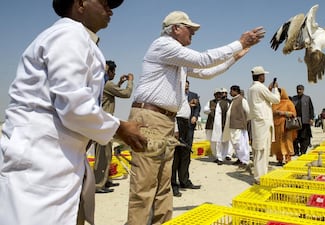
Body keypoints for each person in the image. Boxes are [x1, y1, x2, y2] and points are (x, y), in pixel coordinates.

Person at [0, 1, 147, 225]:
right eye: (105, 2)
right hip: (40, 160)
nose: (111, 10)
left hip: (57, 159)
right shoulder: (69, 35)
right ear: (80, 3)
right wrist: (120, 128)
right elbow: (74, 106)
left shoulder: (80, 40)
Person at [126, 10, 265, 225]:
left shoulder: (177, 57)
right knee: (144, 186)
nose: (193, 33)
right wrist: (239, 43)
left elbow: (206, 72)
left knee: (163, 185)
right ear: (175, 29)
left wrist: (234, 58)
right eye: (189, 29)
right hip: (150, 119)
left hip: (163, 120)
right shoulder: (164, 45)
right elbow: (204, 60)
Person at [94, 60, 134, 193]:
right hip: (103, 124)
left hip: (105, 123)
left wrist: (120, 83)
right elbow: (126, 94)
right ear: (109, 71)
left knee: (107, 154)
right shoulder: (107, 84)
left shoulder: (105, 84)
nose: (114, 74)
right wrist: (130, 81)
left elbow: (111, 93)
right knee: (102, 156)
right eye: (113, 71)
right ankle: (98, 184)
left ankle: (105, 180)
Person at [248, 66, 280, 185]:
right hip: (263, 121)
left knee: (258, 149)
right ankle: (260, 177)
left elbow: (263, 99)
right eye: (264, 75)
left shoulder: (252, 88)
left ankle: (259, 175)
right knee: (262, 150)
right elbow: (276, 100)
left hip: (257, 121)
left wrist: (268, 89)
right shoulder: (260, 87)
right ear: (260, 76)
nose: (265, 77)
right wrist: (275, 89)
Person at [171, 80, 201, 197]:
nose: (186, 88)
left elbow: (196, 108)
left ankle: (184, 181)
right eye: (184, 86)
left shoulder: (190, 96)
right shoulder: (174, 95)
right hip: (178, 124)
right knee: (175, 156)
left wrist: (194, 115)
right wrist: (176, 129)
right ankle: (173, 185)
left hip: (187, 125)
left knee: (185, 154)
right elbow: (173, 113)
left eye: (187, 86)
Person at [223, 85, 251, 168]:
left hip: (239, 126)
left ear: (235, 91)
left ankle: (244, 161)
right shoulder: (233, 100)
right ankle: (240, 159)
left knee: (241, 143)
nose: (230, 92)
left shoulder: (242, 100)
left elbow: (248, 112)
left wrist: (242, 121)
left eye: (231, 91)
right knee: (235, 143)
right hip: (232, 126)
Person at [271, 88, 297, 166]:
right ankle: (279, 159)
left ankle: (288, 159)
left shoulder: (288, 103)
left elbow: (293, 114)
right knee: (277, 143)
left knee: (286, 143)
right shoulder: (274, 103)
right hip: (276, 126)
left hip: (285, 126)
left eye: (279, 93)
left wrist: (282, 113)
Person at [291, 84, 315, 156]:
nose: (299, 91)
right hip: (295, 122)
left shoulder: (307, 98)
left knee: (304, 138)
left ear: (303, 90)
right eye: (298, 89)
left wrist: (311, 118)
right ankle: (296, 151)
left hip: (305, 121)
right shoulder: (293, 98)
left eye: (300, 89)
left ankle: (303, 151)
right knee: (295, 138)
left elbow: (311, 109)